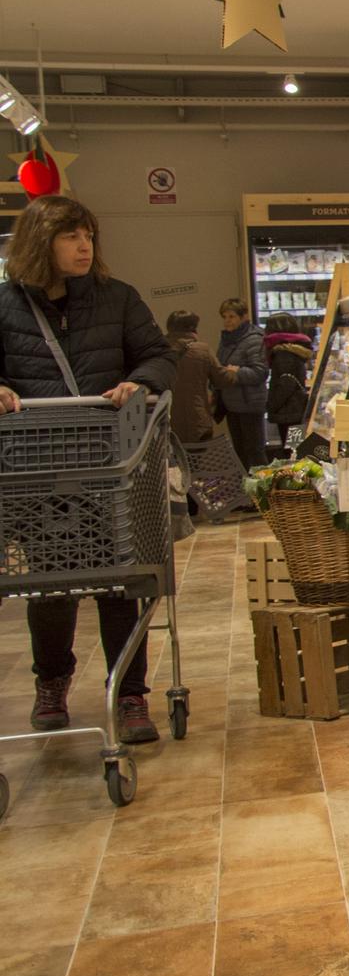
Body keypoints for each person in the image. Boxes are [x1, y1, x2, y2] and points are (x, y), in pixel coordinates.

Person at [0, 195, 176, 743]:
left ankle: (129, 693)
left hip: (113, 465)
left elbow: (159, 353)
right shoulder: (4, 306)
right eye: (71, 236)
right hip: (37, 471)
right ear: (40, 242)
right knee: (50, 588)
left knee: (122, 583)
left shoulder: (116, 298)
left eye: (89, 236)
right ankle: (51, 683)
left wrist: (141, 381)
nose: (85, 247)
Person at [216, 297, 268, 472]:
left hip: (250, 404)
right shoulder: (226, 339)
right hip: (232, 404)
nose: (227, 321)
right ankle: (247, 491)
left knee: (254, 451)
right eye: (225, 316)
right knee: (239, 451)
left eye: (231, 316)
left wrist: (237, 372)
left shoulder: (253, 339)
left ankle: (264, 490)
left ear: (244, 317)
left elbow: (260, 372)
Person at [163, 309, 230, 445]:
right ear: (193, 328)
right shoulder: (202, 350)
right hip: (197, 418)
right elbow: (222, 379)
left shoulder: (158, 350)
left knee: (172, 460)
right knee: (198, 460)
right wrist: (233, 372)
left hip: (166, 418)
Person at [263, 311, 315, 451]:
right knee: (294, 447)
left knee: (291, 451)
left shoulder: (283, 353)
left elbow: (286, 384)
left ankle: (295, 473)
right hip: (295, 408)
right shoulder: (294, 350)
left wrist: (271, 405)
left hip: (288, 411)